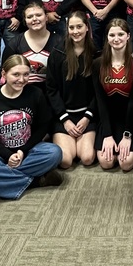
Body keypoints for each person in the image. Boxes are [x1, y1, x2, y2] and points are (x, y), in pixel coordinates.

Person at [0, 55, 63, 202]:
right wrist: (7, 155)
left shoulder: (36, 94)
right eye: (16, 74)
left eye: (26, 74)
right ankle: (36, 181)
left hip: (28, 151)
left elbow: (43, 127)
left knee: (54, 153)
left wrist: (23, 151)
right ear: (4, 74)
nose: (21, 79)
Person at [46, 10, 98, 168]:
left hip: (87, 115)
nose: (75, 31)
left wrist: (87, 117)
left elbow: (99, 91)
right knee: (66, 161)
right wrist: (65, 120)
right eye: (71, 27)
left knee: (87, 158)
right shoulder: (57, 53)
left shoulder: (97, 53)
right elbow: (51, 89)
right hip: (64, 115)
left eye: (79, 26)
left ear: (87, 27)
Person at [93, 18, 133, 172]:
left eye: (121, 34)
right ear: (107, 38)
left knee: (125, 163)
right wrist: (107, 135)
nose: (116, 39)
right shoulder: (98, 64)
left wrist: (127, 135)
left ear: (128, 36)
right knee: (106, 162)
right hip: (109, 118)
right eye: (112, 35)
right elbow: (100, 101)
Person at [2, 0, 57, 83]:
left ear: (46, 17)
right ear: (25, 21)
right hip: (21, 89)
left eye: (38, 15)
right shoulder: (14, 44)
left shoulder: (59, 42)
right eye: (29, 17)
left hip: (51, 90)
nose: (34, 19)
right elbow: (6, 73)